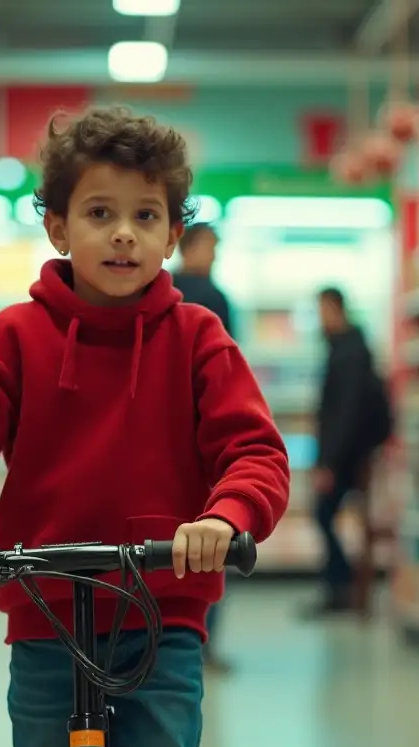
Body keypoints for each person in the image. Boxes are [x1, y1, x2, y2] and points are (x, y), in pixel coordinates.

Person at [0, 107, 291, 747]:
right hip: (48, 620)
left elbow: (253, 450)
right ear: (57, 227)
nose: (122, 233)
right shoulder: (15, 337)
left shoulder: (199, 338)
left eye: (146, 217)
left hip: (162, 616)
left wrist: (225, 518)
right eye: (100, 212)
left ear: (173, 234)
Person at [172, 222, 235, 673]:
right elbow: (229, 375)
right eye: (210, 247)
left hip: (168, 439)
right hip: (202, 442)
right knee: (212, 542)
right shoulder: (213, 299)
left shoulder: (160, 290)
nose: (214, 255)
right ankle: (201, 641)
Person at [308, 286, 393, 617]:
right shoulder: (347, 347)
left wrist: (329, 460)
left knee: (324, 513)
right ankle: (339, 585)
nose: (319, 318)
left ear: (334, 308)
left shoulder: (349, 352)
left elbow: (345, 411)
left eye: (321, 310)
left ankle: (340, 586)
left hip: (349, 456)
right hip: (350, 453)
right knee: (329, 516)